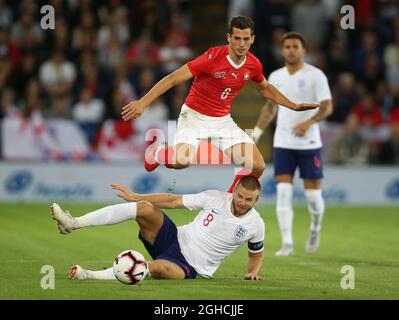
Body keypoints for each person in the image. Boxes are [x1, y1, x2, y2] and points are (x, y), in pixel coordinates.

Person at [121, 16, 319, 193]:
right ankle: (157, 152)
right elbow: (173, 78)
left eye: (246, 39)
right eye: (237, 38)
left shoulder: (253, 64)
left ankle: (228, 199)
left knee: (257, 165)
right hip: (194, 116)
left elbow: (265, 88)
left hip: (222, 121)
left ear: (252, 39)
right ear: (229, 38)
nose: (241, 44)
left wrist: (292, 105)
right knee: (182, 161)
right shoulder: (212, 57)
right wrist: (143, 102)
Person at [50, 176, 265, 281]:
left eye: (249, 199)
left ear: (257, 199)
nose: (243, 202)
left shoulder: (256, 224)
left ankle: (89, 275)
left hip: (190, 266)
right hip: (174, 238)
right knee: (144, 208)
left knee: (158, 268)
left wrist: (252, 272)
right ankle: (73, 223)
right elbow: (172, 201)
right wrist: (136, 197)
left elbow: (256, 252)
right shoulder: (215, 198)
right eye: (240, 196)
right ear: (234, 191)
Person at [252, 32, 333, 256]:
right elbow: (269, 108)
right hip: (283, 143)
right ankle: (287, 242)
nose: (291, 50)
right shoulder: (276, 76)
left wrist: (308, 123)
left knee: (313, 198)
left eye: (295, 46)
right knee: (284, 193)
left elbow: (327, 107)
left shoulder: (316, 75)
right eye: (287, 46)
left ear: (303, 50)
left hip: (309, 143)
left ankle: (315, 227)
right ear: (282, 50)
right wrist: (256, 133)